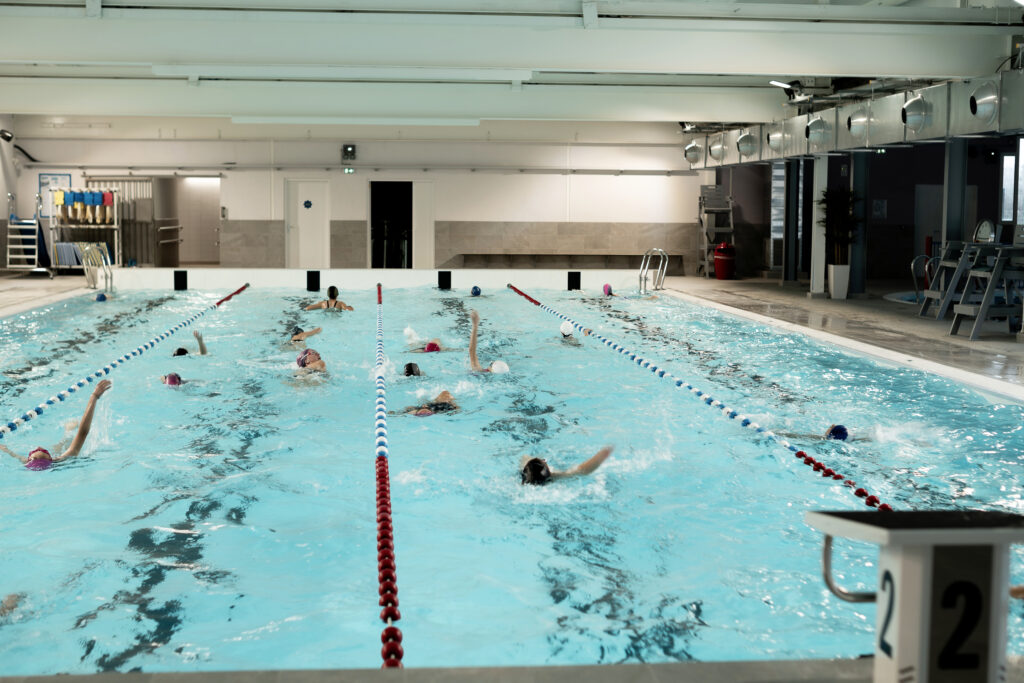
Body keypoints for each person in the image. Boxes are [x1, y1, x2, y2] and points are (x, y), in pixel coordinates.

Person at [0, 379, 112, 470]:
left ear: (28, 459)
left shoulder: (26, 461)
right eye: (44, 451)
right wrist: (94, 397)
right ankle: (67, 431)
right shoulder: (65, 458)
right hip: (63, 459)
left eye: (34, 451)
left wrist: (6, 450)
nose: (39, 447)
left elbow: (15, 455)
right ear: (52, 459)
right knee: (64, 444)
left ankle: (67, 432)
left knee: (59, 446)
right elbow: (83, 432)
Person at [520, 446, 613, 485]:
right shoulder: (555, 476)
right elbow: (584, 470)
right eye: (545, 462)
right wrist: (605, 452)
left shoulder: (524, 466)